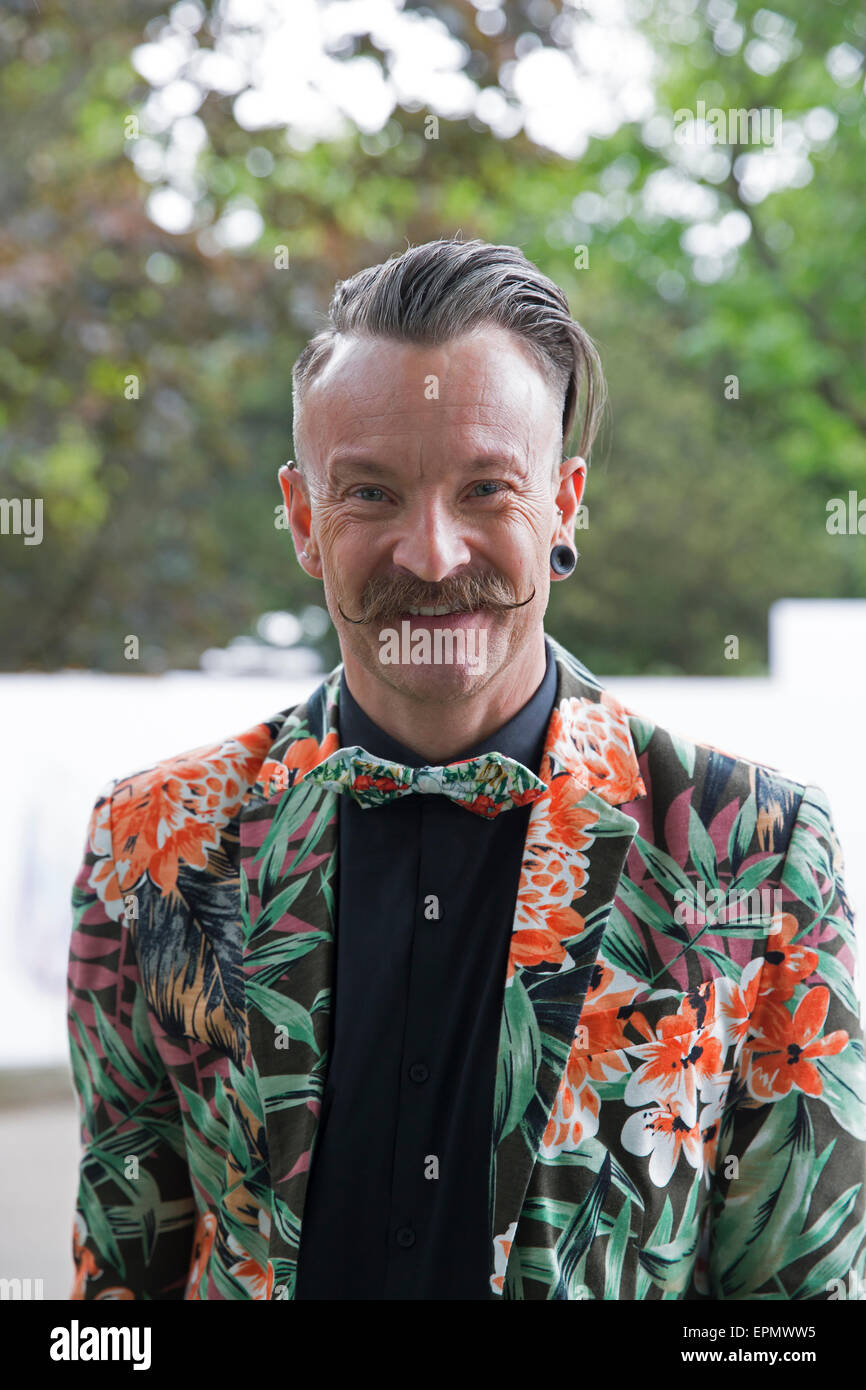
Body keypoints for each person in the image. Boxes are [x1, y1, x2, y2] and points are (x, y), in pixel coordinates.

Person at [68, 236, 866, 1301]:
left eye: (486, 488)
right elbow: (119, 1297)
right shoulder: (150, 843)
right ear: (303, 519)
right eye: (370, 493)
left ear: (563, 506)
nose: (432, 555)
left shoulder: (756, 846)